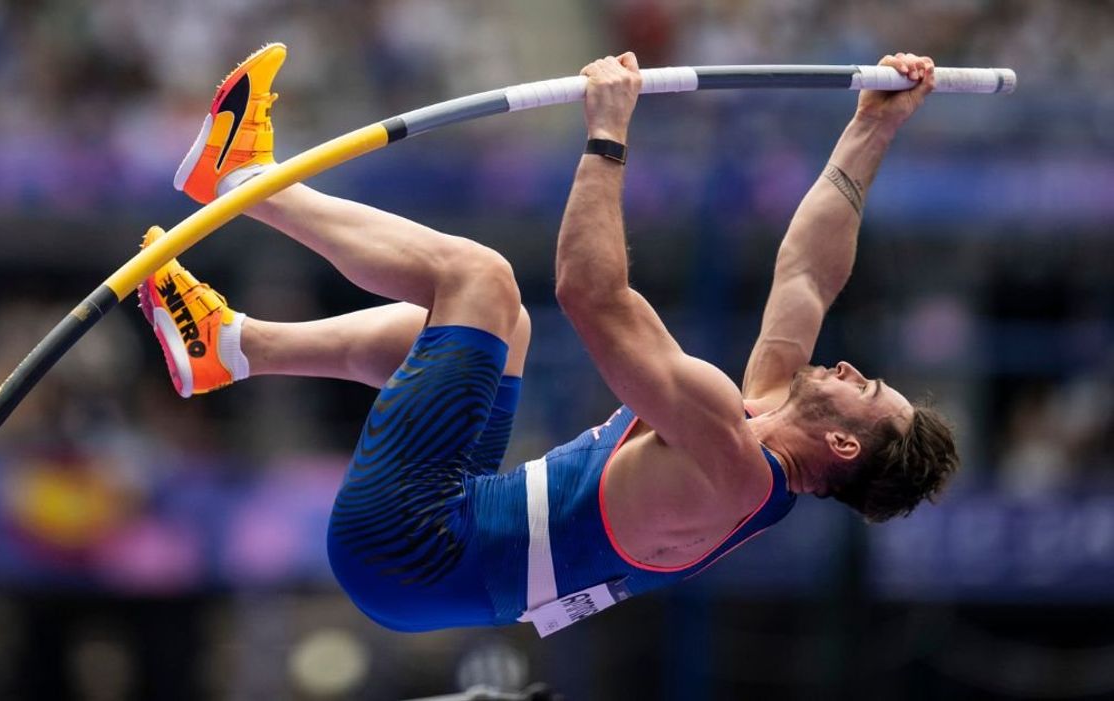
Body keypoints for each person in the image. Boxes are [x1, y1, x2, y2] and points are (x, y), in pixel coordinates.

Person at [141, 44, 958, 634]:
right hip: (447, 540)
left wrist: (606, 133)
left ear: (843, 444)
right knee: (496, 332)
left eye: (865, 387)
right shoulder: (763, 424)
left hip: (414, 545)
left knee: (482, 282)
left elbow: (591, 294)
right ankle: (230, 344)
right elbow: (807, 275)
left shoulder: (729, 458)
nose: (850, 367)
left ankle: (239, 180)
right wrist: (872, 126)